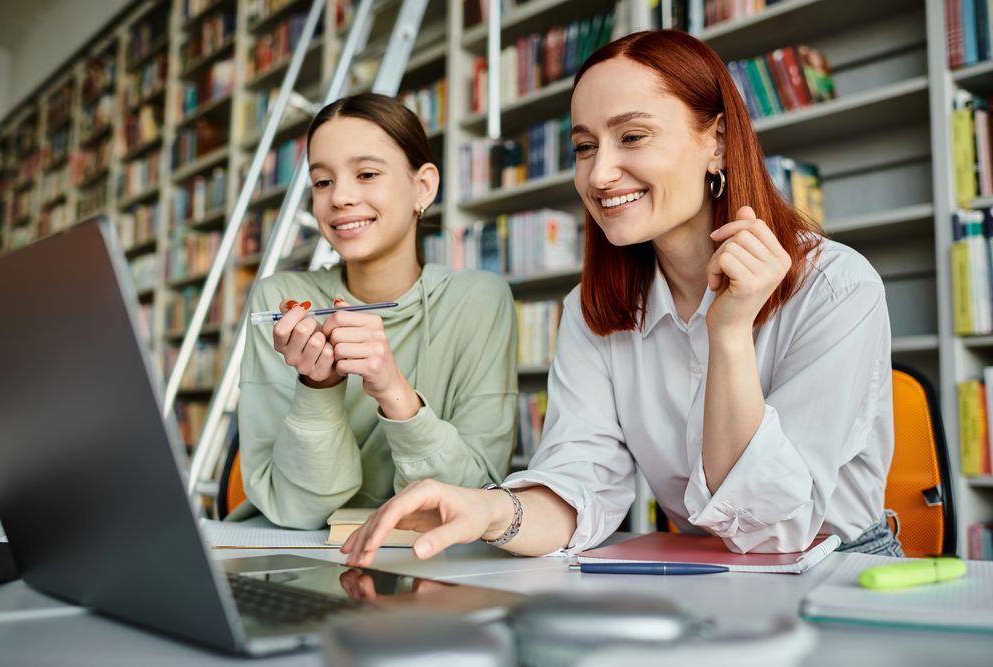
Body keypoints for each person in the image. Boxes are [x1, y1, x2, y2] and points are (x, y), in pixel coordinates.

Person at [341, 30, 902, 566]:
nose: (600, 174)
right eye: (585, 147)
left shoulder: (836, 287)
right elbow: (581, 483)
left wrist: (729, 334)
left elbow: (771, 529)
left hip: (838, 570)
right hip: (703, 572)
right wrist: (489, 510)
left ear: (720, 142)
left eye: (632, 137)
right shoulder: (594, 308)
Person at [233, 93, 518, 529]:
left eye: (366, 174)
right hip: (297, 557)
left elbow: (471, 500)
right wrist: (317, 387)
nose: (340, 197)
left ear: (423, 186)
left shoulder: (479, 300)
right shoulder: (283, 300)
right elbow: (302, 511)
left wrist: (392, 389)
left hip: (428, 566)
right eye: (322, 182)